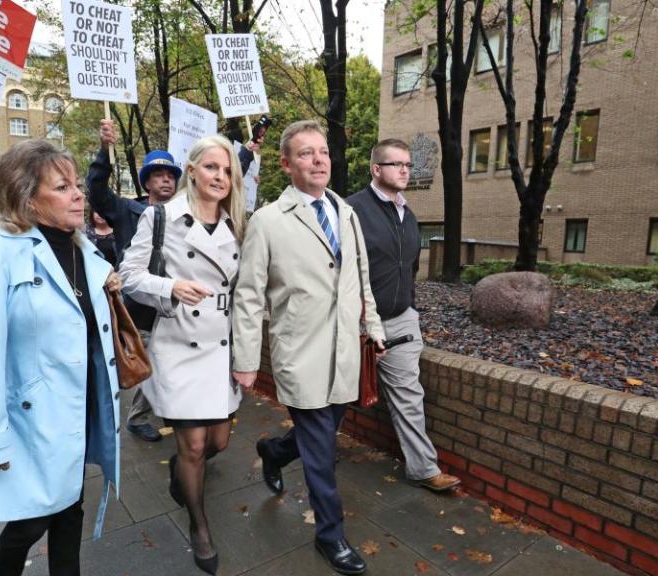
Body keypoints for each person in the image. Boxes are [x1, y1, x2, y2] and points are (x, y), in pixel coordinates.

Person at [0, 139, 122, 576]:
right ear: (29, 199)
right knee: (30, 522)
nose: (78, 194)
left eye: (76, 185)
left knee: (71, 513)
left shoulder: (84, 249)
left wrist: (109, 286)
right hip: (29, 420)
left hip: (78, 410)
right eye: (62, 187)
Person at [232, 120, 385, 576]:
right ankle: (331, 535)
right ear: (285, 164)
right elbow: (249, 295)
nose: (318, 160)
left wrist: (373, 326)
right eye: (305, 153)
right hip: (300, 353)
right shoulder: (268, 221)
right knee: (321, 449)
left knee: (316, 435)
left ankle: (274, 451)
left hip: (345, 353)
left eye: (322, 152)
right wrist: (244, 361)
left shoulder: (346, 211)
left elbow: (361, 279)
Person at [119, 135, 246, 575]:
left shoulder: (237, 223)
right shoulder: (161, 217)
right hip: (179, 339)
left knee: (218, 442)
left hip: (221, 345)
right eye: (212, 167)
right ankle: (199, 525)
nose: (220, 177)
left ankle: (182, 469)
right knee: (193, 444)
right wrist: (169, 287)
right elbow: (128, 275)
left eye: (228, 170)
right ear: (191, 169)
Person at [346, 139, 461, 493]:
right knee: (331, 400)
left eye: (408, 164)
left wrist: (409, 306)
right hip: (357, 324)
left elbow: (409, 269)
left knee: (410, 394)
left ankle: (423, 468)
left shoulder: (408, 216)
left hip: (400, 321)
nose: (405, 170)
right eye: (396, 164)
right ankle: (284, 450)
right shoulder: (351, 210)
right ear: (376, 169)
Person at [88, 119, 183, 443]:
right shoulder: (127, 210)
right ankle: (134, 417)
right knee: (148, 364)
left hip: (173, 305)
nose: (166, 180)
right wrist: (104, 151)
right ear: (147, 181)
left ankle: (157, 411)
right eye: (159, 175)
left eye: (171, 175)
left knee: (164, 364)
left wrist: (248, 153)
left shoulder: (184, 216)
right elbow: (97, 191)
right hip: (139, 307)